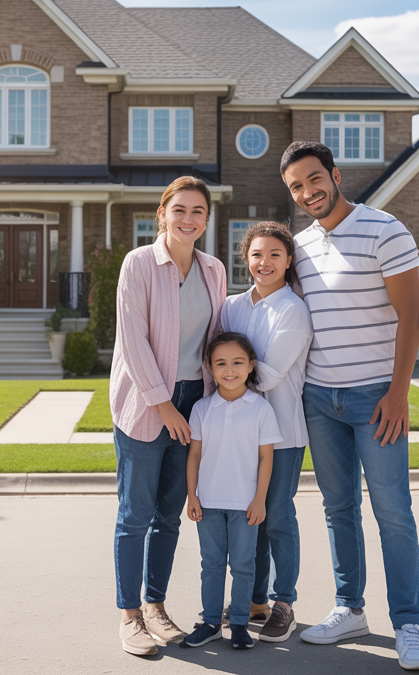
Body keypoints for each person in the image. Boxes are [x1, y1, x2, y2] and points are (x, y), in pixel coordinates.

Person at [279, 141, 419, 670]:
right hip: (320, 400)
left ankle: (409, 626)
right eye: (296, 187)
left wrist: (397, 392)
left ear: (335, 174)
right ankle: (350, 609)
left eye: (314, 179)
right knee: (337, 507)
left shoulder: (385, 230)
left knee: (393, 511)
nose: (308, 192)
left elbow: (411, 319)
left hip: (376, 398)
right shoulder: (299, 246)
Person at [109, 176, 226, 657]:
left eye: (198, 211)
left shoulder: (213, 269)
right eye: (180, 209)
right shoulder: (138, 263)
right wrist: (163, 406)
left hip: (194, 401)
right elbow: (133, 341)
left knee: (170, 516)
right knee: (135, 515)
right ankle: (129, 615)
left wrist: (211, 403)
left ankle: (155, 605)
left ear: (206, 219)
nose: (189, 219)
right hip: (144, 403)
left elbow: (217, 337)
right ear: (163, 213)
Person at [220, 221, 312, 643]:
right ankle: (254, 600)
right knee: (247, 515)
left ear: (288, 260)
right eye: (257, 254)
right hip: (237, 436)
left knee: (276, 516)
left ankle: (283, 603)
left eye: (275, 254)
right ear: (246, 259)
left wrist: (230, 380)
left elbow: (269, 374)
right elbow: (220, 360)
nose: (265, 262)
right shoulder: (232, 307)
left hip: (280, 434)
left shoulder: (294, 310)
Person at [180, 332, 284, 651]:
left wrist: (259, 499)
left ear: (251, 366)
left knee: (242, 565)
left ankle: (239, 623)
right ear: (210, 369)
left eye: (238, 362)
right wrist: (192, 495)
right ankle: (211, 622)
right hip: (208, 502)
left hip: (245, 505)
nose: (229, 370)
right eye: (220, 363)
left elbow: (267, 457)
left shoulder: (260, 409)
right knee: (210, 564)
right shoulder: (201, 409)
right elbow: (194, 455)